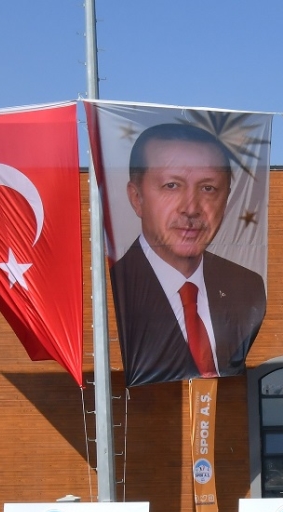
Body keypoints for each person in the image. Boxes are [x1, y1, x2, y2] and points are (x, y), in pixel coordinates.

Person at [109, 122, 267, 385]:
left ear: (226, 200)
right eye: (172, 186)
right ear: (137, 198)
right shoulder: (115, 287)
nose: (191, 208)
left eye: (208, 188)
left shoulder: (247, 286)